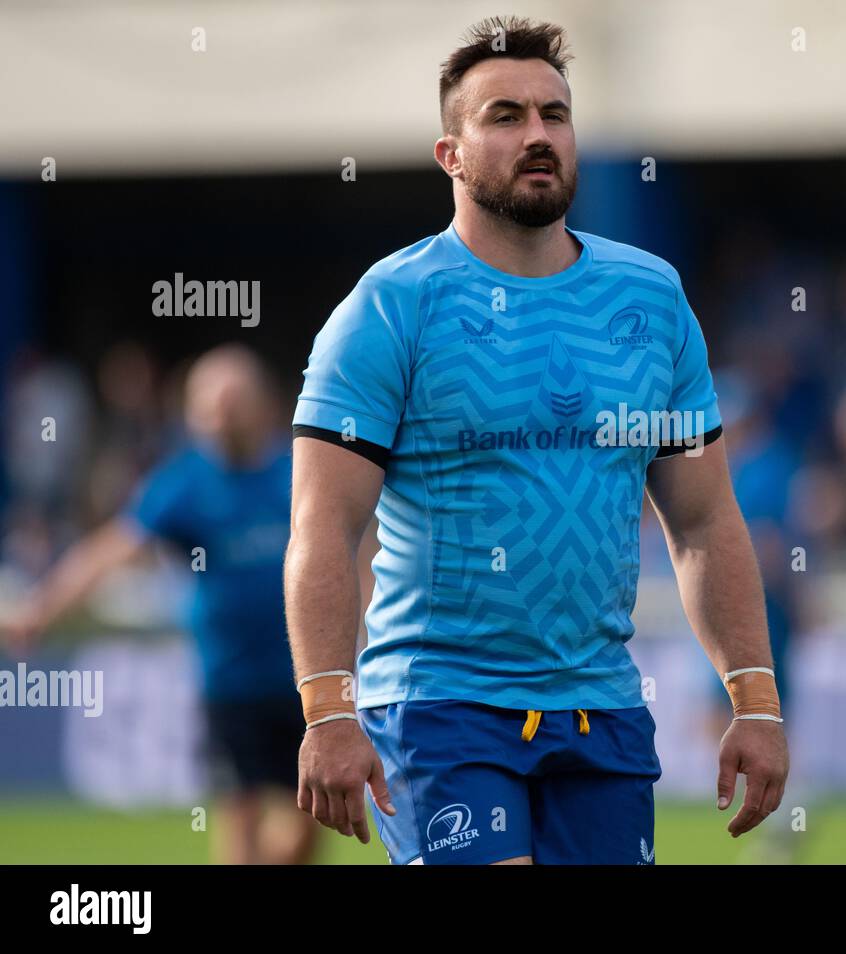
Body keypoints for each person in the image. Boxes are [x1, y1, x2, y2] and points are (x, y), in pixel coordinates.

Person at [286, 15, 788, 865]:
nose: (539, 135)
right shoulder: (390, 307)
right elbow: (323, 529)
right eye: (506, 116)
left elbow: (704, 524)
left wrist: (757, 701)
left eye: (555, 114)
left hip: (603, 711)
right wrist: (330, 712)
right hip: (440, 706)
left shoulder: (652, 300)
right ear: (450, 153)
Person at [4, 344, 320, 864]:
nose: (219, 415)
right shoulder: (185, 484)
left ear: (264, 405)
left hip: (300, 678)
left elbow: (350, 550)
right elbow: (112, 550)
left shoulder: (298, 475)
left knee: (307, 821)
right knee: (238, 813)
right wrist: (41, 610)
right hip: (228, 683)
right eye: (208, 403)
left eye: (231, 401)